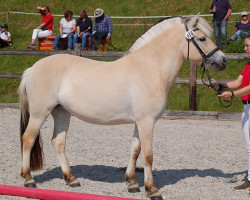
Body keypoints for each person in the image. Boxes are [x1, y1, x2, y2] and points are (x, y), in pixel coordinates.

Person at [214, 33, 250, 190]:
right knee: (249, 146)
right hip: (246, 108)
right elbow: (238, 82)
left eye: (248, 45)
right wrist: (221, 86)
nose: (245, 48)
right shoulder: (248, 65)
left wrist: (233, 95)